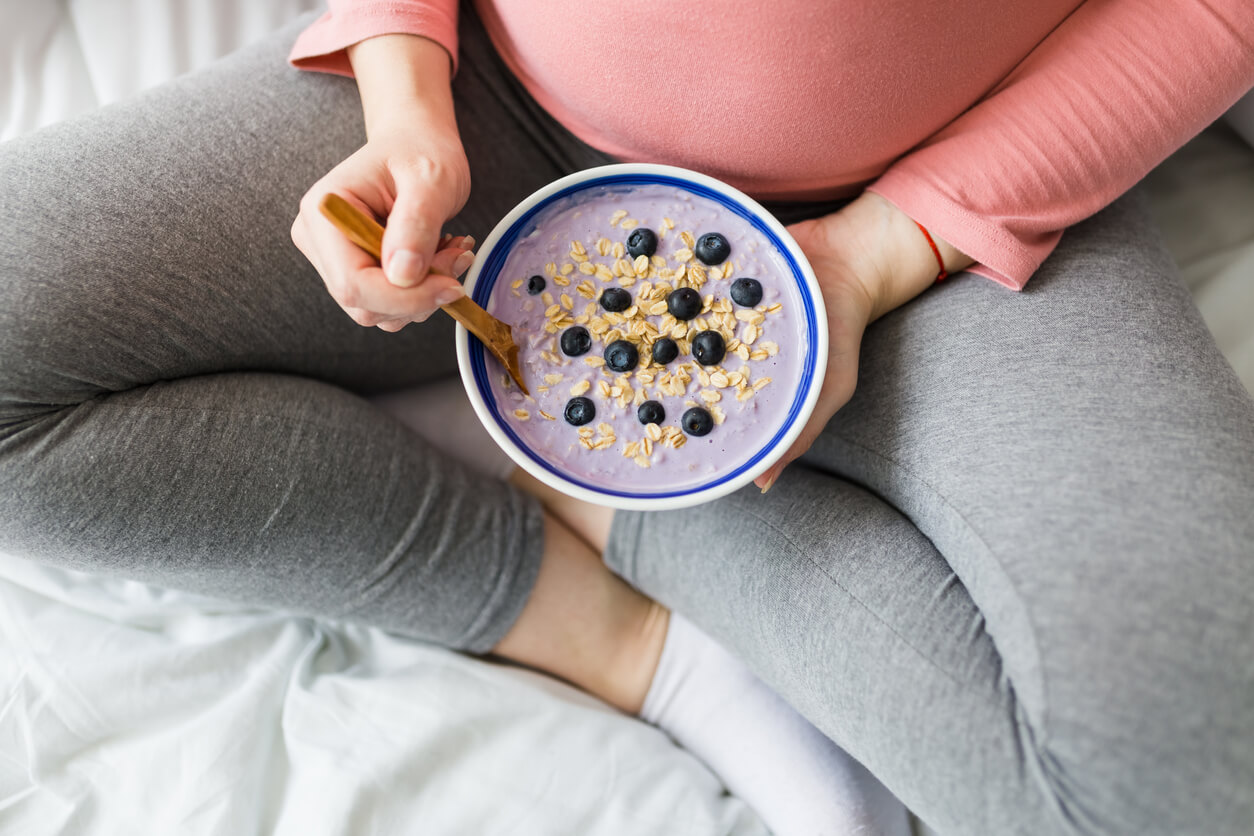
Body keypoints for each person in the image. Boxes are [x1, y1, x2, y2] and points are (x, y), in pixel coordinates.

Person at [1, 1, 1252, 834]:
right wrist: (403, 81)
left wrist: (882, 251)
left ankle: (627, 499)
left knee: (1178, 783)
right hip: (492, 104)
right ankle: (587, 613)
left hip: (967, 189)